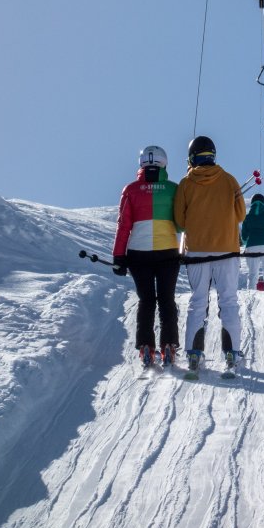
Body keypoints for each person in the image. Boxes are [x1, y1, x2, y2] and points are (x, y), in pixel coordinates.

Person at [173, 135, 246, 374]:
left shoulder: (186, 183)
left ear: (192, 157)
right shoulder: (230, 180)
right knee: (228, 301)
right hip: (226, 251)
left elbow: (180, 221)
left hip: (197, 252)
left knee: (198, 301)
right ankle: (232, 353)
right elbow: (241, 215)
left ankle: (194, 354)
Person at [112, 145, 181, 366]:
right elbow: (181, 224)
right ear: (164, 163)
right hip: (168, 252)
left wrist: (118, 257)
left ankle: (145, 347)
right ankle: (169, 345)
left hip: (138, 254)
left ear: (141, 163)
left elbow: (123, 226)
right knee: (167, 299)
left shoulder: (130, 190)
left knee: (146, 300)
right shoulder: (174, 189)